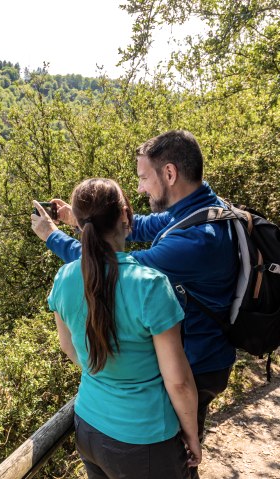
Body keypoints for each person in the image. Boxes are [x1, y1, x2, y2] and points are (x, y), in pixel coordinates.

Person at [31, 130, 237, 479]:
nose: (141, 188)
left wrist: (55, 235)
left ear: (169, 174)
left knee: (185, 448)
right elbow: (137, 227)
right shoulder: (198, 211)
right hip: (156, 407)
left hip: (196, 365)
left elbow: (108, 267)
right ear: (123, 216)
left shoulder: (197, 241)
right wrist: (82, 220)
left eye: (143, 178)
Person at [38, 178, 201, 479]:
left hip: (89, 427)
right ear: (125, 216)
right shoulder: (150, 285)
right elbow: (178, 381)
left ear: (78, 223)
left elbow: (67, 346)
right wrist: (192, 436)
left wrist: (103, 371)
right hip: (146, 438)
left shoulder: (65, 277)